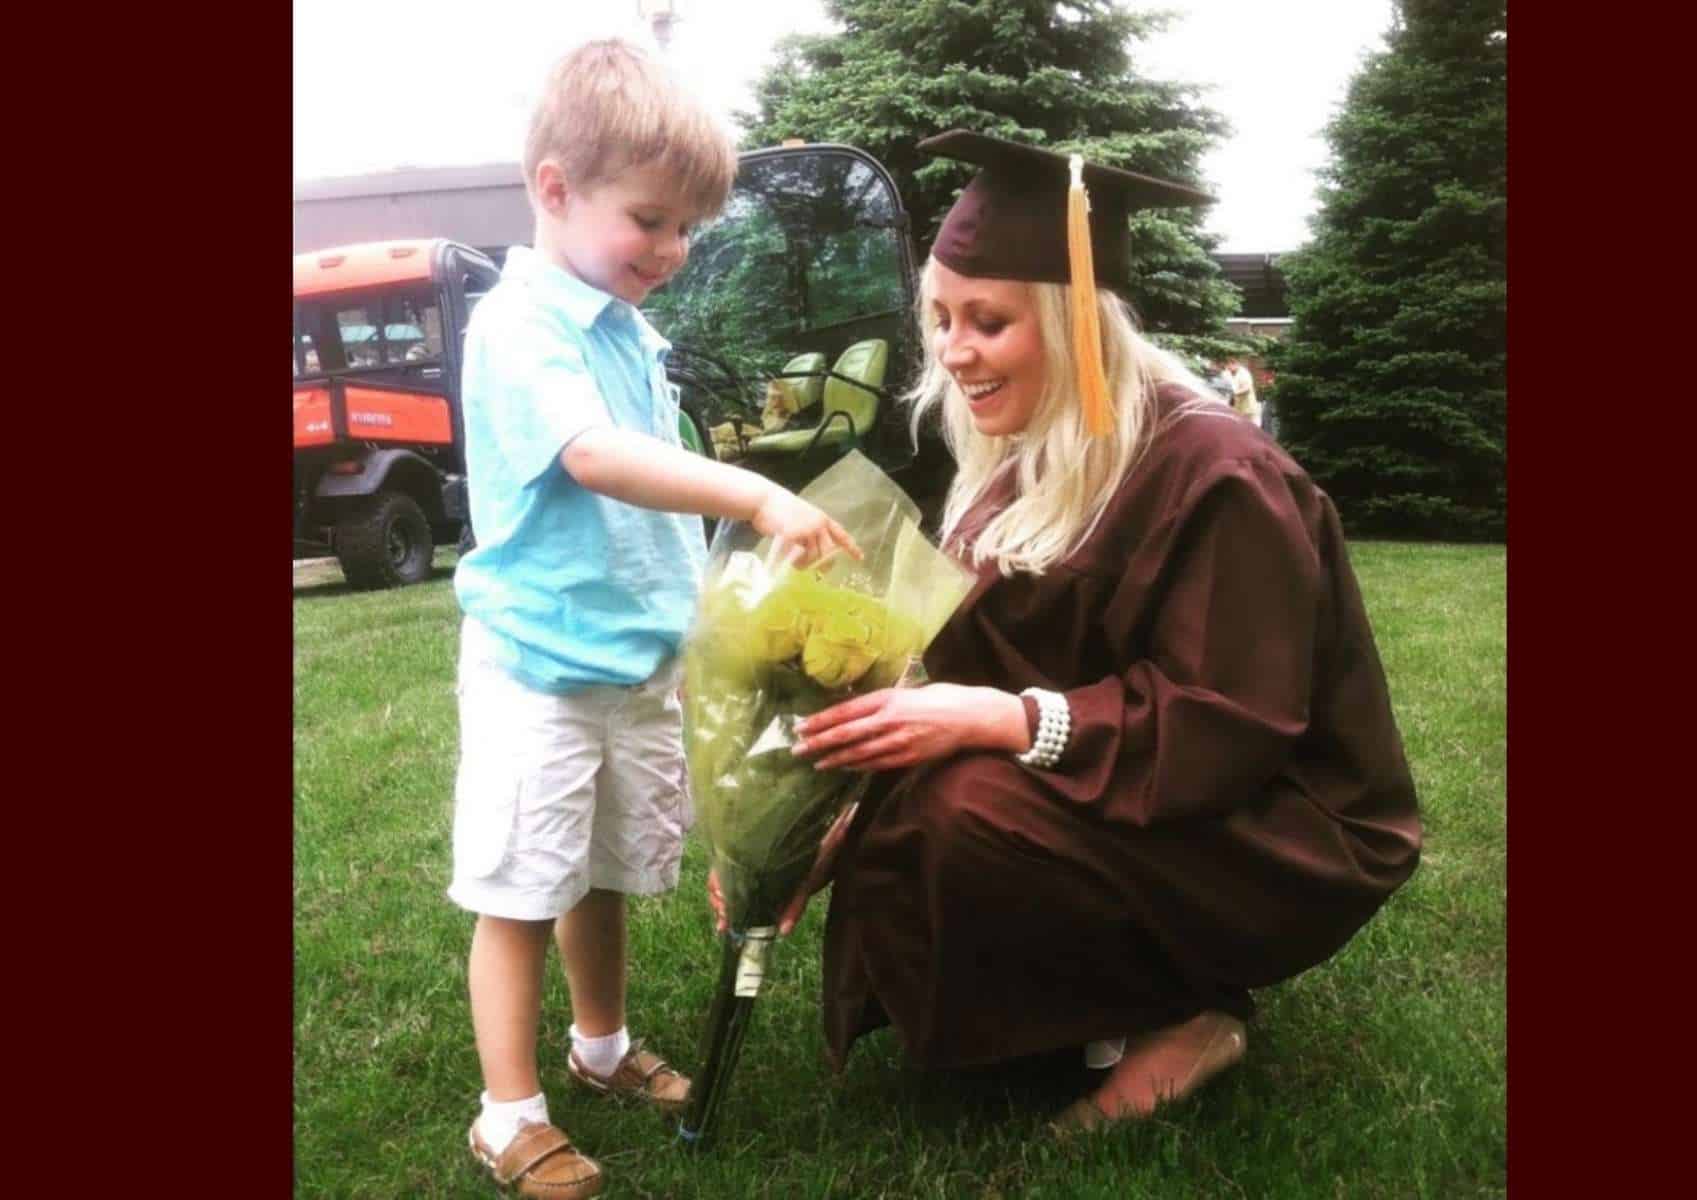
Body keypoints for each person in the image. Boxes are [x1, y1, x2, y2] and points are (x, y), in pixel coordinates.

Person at [766, 132, 1421, 1133]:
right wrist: (829, 814)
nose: (952, 351)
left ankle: (1186, 1013)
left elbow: (1227, 720)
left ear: (1076, 326)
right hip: (1139, 780)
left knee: (964, 810)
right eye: (939, 318)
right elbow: (973, 665)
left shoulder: (1218, 474)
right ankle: (1084, 1012)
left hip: (1277, 822)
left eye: (988, 321)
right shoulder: (1030, 449)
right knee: (918, 787)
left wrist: (1004, 719)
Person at [449, 40, 860, 1199]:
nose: (673, 252)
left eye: (689, 229)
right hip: (541, 666)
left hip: (632, 664)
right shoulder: (522, 325)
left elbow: (654, 483)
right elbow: (596, 458)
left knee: (604, 877)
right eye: (652, 221)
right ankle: (507, 1112)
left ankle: (601, 1047)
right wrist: (754, 490)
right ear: (554, 190)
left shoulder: (627, 329)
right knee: (524, 886)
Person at [1227, 356, 1263, 426]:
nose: (1228, 368)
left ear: (1235, 364)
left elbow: (1247, 388)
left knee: (1249, 427)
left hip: (1248, 408)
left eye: (1229, 365)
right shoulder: (1235, 373)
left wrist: (1235, 393)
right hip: (1241, 408)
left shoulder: (1243, 373)